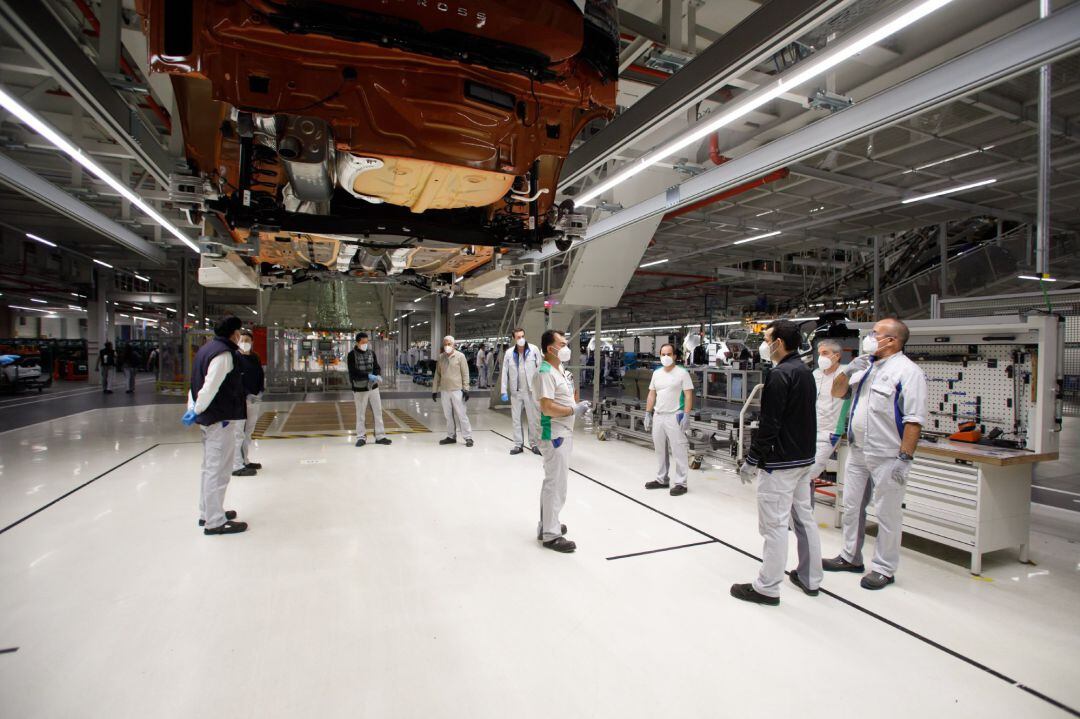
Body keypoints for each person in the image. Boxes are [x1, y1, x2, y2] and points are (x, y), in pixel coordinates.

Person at [823, 318, 928, 590]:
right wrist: (847, 371)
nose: (870, 337)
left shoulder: (908, 372)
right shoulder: (866, 367)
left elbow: (914, 420)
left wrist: (905, 458)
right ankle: (850, 556)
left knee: (887, 513)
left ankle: (884, 568)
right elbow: (838, 393)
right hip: (858, 451)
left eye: (875, 333)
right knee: (851, 505)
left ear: (891, 340)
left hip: (887, 454)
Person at [731, 319, 821, 605]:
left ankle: (767, 587)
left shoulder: (780, 374)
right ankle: (810, 578)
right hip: (803, 459)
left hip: (781, 463)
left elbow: (770, 423)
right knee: (804, 518)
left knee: (775, 525)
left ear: (778, 343)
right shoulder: (806, 371)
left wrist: (753, 458)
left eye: (767, 338)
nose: (764, 344)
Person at [182, 317, 248, 536]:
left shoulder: (206, 349)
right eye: (239, 333)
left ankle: (208, 512)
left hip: (209, 418)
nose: (241, 337)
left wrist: (193, 407)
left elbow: (194, 383)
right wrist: (198, 408)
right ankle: (215, 521)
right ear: (233, 333)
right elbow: (210, 386)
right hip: (219, 419)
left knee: (209, 468)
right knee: (218, 470)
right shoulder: (224, 355)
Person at [535, 329, 590, 553]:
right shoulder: (545, 372)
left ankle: (548, 524)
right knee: (556, 485)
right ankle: (550, 534)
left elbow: (566, 396)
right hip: (554, 433)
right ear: (551, 348)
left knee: (555, 483)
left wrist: (575, 406)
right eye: (563, 343)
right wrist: (572, 410)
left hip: (563, 431)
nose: (567, 347)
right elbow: (547, 407)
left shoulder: (559, 370)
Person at [643, 343, 694, 496]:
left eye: (669, 354)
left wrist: (686, 414)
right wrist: (648, 412)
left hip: (675, 416)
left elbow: (688, 395)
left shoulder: (682, 373)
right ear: (659, 356)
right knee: (660, 450)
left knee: (679, 450)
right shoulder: (656, 373)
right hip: (659, 415)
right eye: (663, 354)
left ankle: (681, 483)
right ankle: (661, 479)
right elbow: (652, 394)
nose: (666, 357)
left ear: (675, 356)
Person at [807, 340, 849, 486]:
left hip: (830, 431)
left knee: (810, 473)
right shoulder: (816, 374)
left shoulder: (846, 372)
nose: (821, 357)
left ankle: (805, 507)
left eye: (825, 353)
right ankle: (803, 507)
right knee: (800, 471)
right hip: (810, 429)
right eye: (819, 354)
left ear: (836, 356)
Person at [500, 328, 542, 456]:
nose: (521, 339)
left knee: (533, 419)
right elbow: (504, 372)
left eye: (522, 336)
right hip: (516, 392)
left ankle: (534, 444)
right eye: (518, 337)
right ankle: (518, 445)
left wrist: (541, 389)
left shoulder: (534, 350)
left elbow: (540, 370)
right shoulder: (508, 353)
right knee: (516, 419)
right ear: (514, 338)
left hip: (531, 391)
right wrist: (503, 390)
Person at [348, 332, 391, 448]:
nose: (365, 344)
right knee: (361, 413)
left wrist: (377, 375)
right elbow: (353, 372)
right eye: (363, 342)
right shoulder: (352, 355)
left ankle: (380, 436)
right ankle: (361, 436)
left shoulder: (371, 353)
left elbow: (376, 366)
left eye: (367, 342)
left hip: (373, 387)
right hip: (360, 388)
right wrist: (368, 376)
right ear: (357, 342)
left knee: (378, 411)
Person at [232, 330, 265, 476]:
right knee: (238, 432)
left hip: (254, 399)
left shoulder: (255, 357)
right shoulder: (235, 358)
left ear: (252, 343)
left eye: (248, 340)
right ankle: (236, 465)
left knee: (248, 431)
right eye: (242, 340)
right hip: (240, 399)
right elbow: (235, 379)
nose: (245, 343)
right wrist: (246, 394)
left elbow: (260, 375)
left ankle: (245, 460)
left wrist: (260, 391)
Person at [433, 335, 473, 447]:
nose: (447, 346)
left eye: (449, 344)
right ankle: (451, 436)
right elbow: (437, 374)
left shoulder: (460, 356)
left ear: (454, 345)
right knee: (448, 415)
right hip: (445, 391)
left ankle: (468, 437)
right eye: (445, 344)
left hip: (457, 390)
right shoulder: (441, 357)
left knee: (462, 414)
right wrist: (434, 390)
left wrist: (466, 389)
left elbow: (465, 373)